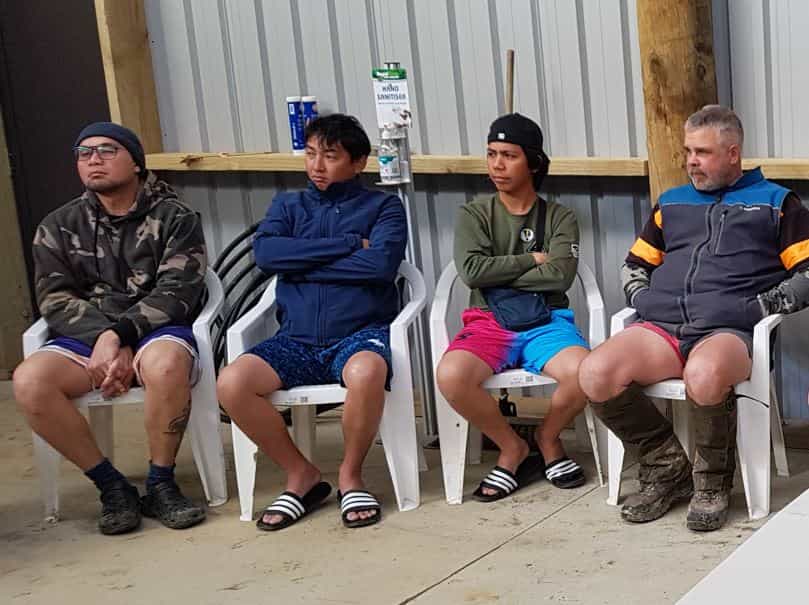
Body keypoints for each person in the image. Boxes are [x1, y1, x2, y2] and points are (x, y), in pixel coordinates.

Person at [578, 105, 809, 531]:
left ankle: (711, 483)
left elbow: (807, 275)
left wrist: (760, 308)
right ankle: (666, 466)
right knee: (595, 373)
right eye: (688, 151)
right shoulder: (671, 202)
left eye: (702, 152)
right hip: (663, 328)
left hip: (729, 331)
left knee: (703, 375)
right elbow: (634, 265)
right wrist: (644, 299)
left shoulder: (777, 203)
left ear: (733, 153)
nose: (691, 162)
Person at [13, 122, 209, 534]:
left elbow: (179, 291)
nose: (93, 160)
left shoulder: (176, 218)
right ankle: (112, 487)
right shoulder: (58, 224)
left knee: (166, 366)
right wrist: (104, 339)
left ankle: (161, 483)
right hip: (86, 336)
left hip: (156, 330)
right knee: (29, 381)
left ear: (136, 162)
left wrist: (119, 335)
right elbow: (54, 299)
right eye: (84, 153)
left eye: (106, 150)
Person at [217, 114, 407, 530]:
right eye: (310, 153)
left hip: (359, 335)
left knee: (367, 371)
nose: (317, 166)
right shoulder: (288, 205)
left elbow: (378, 266)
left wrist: (301, 263)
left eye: (331, 156)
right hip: (296, 340)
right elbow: (267, 256)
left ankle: (350, 476)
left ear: (358, 162)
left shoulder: (383, 207)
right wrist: (346, 244)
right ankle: (300, 474)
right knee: (232, 383)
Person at [435, 113, 590, 502]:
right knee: (452, 375)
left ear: (533, 162)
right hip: (489, 321)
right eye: (491, 154)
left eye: (509, 155)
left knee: (585, 373)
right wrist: (530, 260)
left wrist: (497, 274)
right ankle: (511, 447)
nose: (497, 165)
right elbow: (471, 272)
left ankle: (547, 437)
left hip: (546, 321)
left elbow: (560, 277)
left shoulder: (559, 216)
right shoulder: (474, 214)